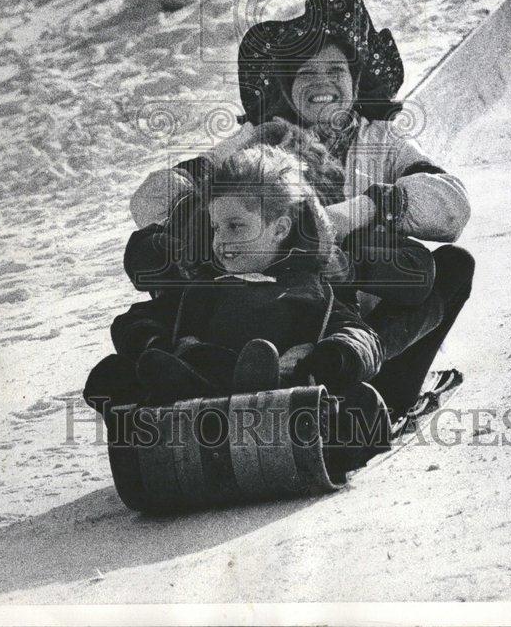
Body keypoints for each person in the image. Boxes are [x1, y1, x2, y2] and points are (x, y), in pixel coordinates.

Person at [128, 0, 475, 422]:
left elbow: (453, 205)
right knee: (162, 253)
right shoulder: (260, 137)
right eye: (306, 72)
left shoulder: (380, 141)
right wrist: (203, 211)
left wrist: (361, 211)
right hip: (270, 308)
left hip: (354, 309)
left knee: (451, 266)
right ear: (287, 87)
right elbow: (149, 200)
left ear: (355, 79)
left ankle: (371, 381)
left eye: (335, 70)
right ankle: (204, 371)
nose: (322, 83)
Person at [86, 143, 392, 470]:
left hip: (287, 400)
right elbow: (134, 321)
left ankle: (263, 394)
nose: (221, 241)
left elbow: (361, 335)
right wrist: (157, 344)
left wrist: (328, 357)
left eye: (236, 226)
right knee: (110, 376)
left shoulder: (311, 288)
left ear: (280, 229)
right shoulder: (204, 286)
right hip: (202, 392)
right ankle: (174, 412)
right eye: (216, 228)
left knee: (366, 409)